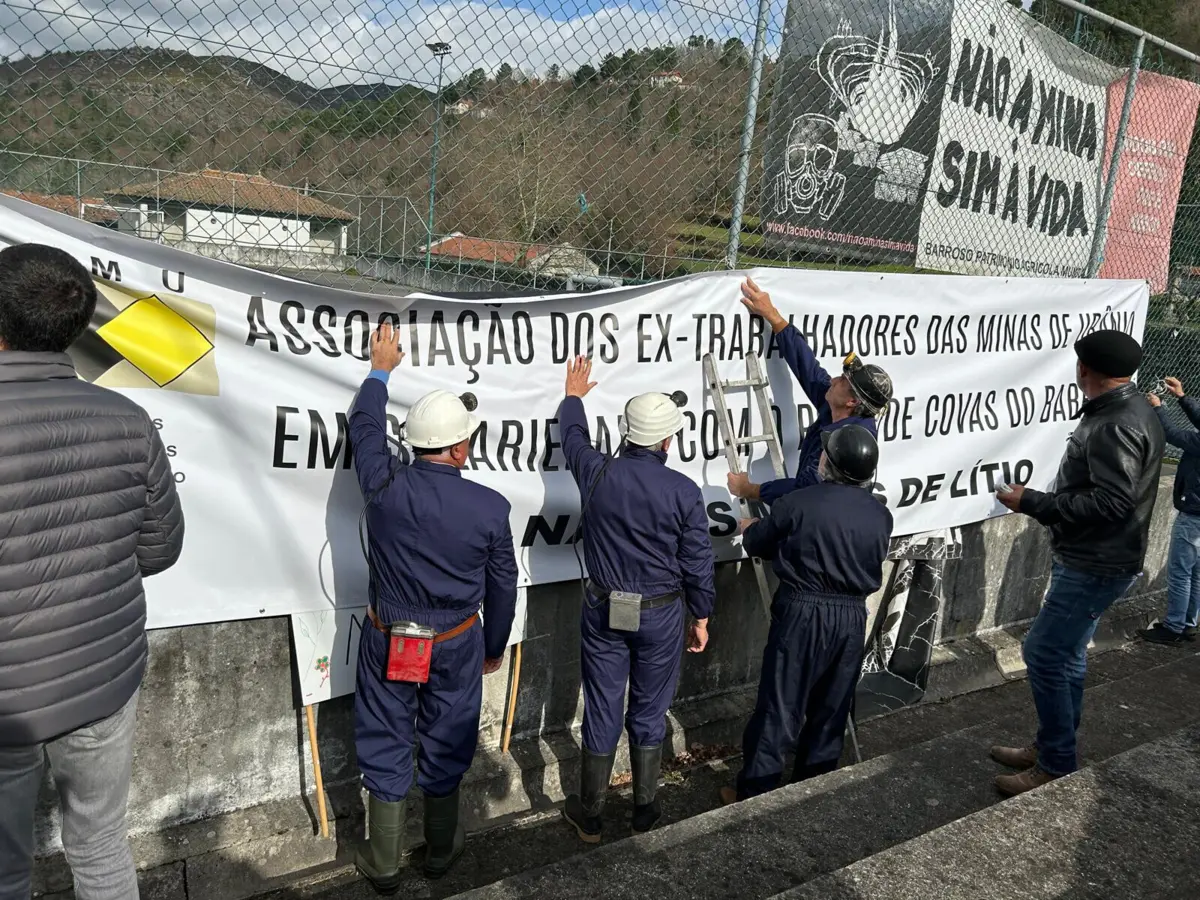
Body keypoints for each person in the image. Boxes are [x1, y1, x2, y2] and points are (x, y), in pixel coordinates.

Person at [0, 243, 184, 900]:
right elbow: (160, 550)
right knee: (101, 844)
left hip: (9, 696)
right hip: (103, 676)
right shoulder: (129, 421)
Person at [350, 322, 517, 889]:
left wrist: (380, 370)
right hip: (456, 643)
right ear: (461, 445)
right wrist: (493, 647)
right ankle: (440, 850)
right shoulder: (490, 508)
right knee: (448, 737)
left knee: (386, 733)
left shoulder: (384, 486)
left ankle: (385, 862)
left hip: (389, 635)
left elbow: (365, 429)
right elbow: (503, 587)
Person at [992, 329, 1163, 797]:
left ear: (1084, 369)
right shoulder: (1129, 410)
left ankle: (1055, 762)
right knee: (1065, 656)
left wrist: (1035, 502)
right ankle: (1051, 745)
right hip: (1098, 557)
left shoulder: (1115, 423)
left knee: (1044, 652)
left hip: (1096, 563)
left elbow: (1112, 503)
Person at [557, 356, 716, 842]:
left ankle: (590, 816)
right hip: (661, 614)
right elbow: (697, 561)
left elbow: (573, 439)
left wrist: (572, 397)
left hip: (605, 609)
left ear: (627, 432)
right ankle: (644, 811)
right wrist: (702, 615)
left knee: (602, 707)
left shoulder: (598, 472)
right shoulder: (683, 491)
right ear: (667, 440)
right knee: (649, 711)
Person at [719, 425, 891, 804]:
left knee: (780, 706)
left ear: (829, 462)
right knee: (831, 708)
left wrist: (752, 529)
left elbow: (758, 542)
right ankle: (813, 795)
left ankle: (756, 794)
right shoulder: (881, 515)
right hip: (850, 617)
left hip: (803, 610)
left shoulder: (799, 503)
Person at [728, 277, 893, 506]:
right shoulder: (838, 407)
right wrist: (773, 316)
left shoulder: (845, 444)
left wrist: (750, 489)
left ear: (852, 402)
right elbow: (809, 371)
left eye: (843, 381)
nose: (833, 380)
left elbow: (803, 489)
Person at [1140, 376, 1200, 645]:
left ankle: (1173, 627)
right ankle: (1188, 623)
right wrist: (1182, 396)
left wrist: (1158, 407)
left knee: (1180, 572)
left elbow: (1174, 435)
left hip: (1194, 513)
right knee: (1196, 572)